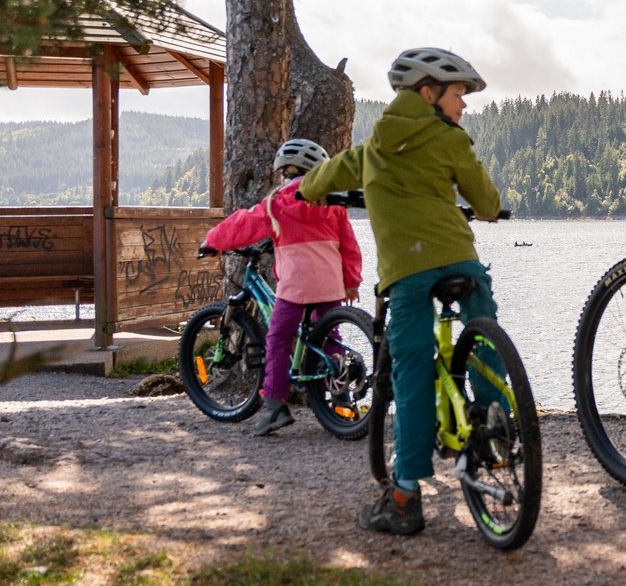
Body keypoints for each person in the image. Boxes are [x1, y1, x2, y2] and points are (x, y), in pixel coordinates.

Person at [297, 47, 504, 536]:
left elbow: (317, 181)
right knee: (486, 338)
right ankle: (495, 423)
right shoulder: (452, 141)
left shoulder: (370, 152)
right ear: (428, 94)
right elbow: (488, 203)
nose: (465, 105)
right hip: (462, 262)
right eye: (459, 94)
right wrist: (488, 208)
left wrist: (307, 189)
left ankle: (405, 495)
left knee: (412, 372)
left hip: (407, 276)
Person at [198, 138, 362, 436]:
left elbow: (242, 225)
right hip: (329, 284)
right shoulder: (331, 203)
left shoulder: (277, 203)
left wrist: (212, 241)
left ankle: (274, 406)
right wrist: (351, 280)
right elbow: (349, 245)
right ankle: (340, 395)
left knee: (278, 339)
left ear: (284, 173)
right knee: (330, 337)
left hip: (296, 286)